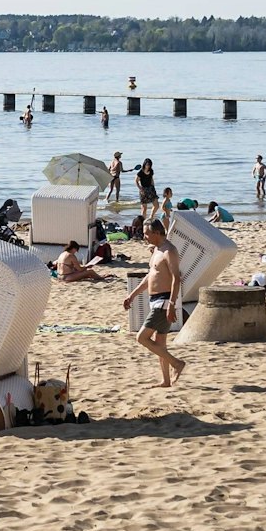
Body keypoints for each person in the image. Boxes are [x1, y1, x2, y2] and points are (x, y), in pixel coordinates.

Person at [122, 221, 185, 387]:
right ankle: (166, 381)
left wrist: (171, 304)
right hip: (155, 300)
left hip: (164, 301)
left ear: (157, 233)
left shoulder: (169, 251)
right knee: (160, 344)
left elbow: (176, 278)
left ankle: (177, 363)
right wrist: (132, 295)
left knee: (142, 337)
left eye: (146, 233)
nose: (144, 237)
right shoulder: (156, 250)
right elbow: (150, 276)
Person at [136, 159, 158, 224]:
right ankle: (142, 222)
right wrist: (140, 188)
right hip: (143, 190)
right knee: (144, 208)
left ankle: (151, 217)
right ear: (144, 164)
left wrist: (153, 187)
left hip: (151, 189)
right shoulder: (141, 172)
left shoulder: (151, 171)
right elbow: (136, 181)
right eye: (147, 165)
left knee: (156, 205)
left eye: (149, 165)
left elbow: (151, 179)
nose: (148, 166)